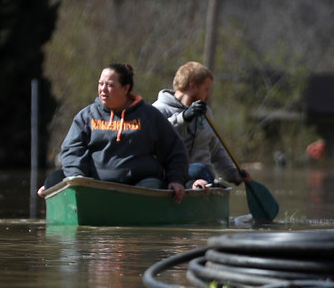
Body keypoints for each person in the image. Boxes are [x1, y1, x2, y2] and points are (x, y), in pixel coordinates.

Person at [43, 63, 190, 200]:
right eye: (101, 84)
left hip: (138, 184)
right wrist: (76, 175)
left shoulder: (149, 115)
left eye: (110, 85)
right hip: (92, 183)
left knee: (153, 187)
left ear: (125, 89)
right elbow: (71, 149)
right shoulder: (86, 116)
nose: (103, 89)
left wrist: (176, 180)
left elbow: (175, 150)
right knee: (54, 180)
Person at [153, 62, 251, 189]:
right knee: (198, 169)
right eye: (206, 89)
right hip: (172, 179)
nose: (208, 95)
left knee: (201, 170)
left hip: (202, 181)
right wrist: (183, 118)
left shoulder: (205, 113)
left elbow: (216, 150)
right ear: (192, 86)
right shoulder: (158, 110)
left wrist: (234, 174)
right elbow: (158, 139)